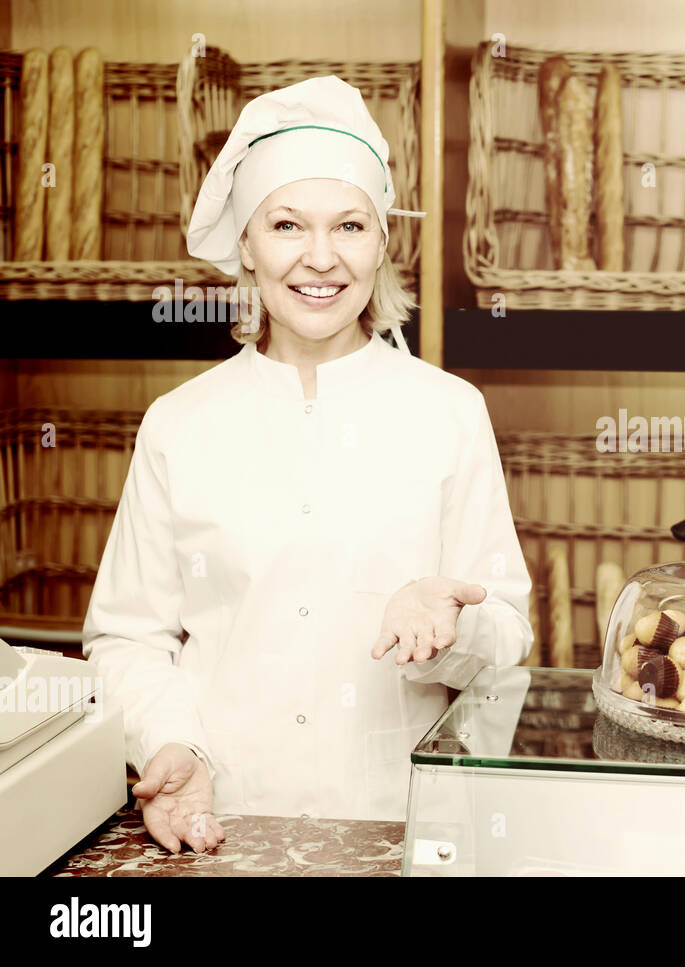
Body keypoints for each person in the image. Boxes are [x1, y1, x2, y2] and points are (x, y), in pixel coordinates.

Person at [83, 76, 532, 853]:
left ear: (382, 241)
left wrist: (454, 621)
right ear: (247, 246)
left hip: (401, 823)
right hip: (222, 818)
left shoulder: (449, 411)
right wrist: (171, 742)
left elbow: (509, 633)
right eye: (287, 225)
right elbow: (128, 636)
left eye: (349, 225)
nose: (320, 258)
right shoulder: (179, 425)